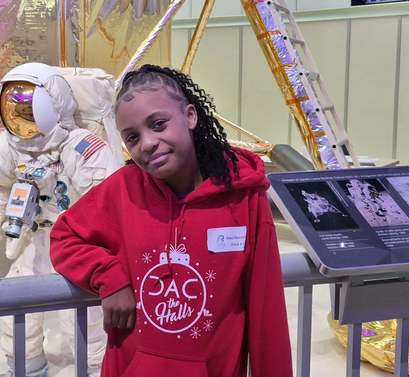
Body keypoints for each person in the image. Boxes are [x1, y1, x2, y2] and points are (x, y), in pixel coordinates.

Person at [50, 65, 293, 377]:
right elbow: (64, 236)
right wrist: (110, 277)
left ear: (190, 117)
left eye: (159, 124)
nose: (148, 143)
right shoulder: (122, 190)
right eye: (132, 137)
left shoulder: (244, 199)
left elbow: (266, 311)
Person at [0, 62, 122, 376]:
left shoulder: (82, 146)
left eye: (29, 110)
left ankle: (94, 367)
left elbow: (106, 201)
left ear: (52, 104)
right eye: (13, 108)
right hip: (33, 237)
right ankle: (26, 366)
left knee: (84, 314)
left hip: (76, 243)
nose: (19, 118)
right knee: (18, 307)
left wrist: (101, 248)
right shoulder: (7, 147)